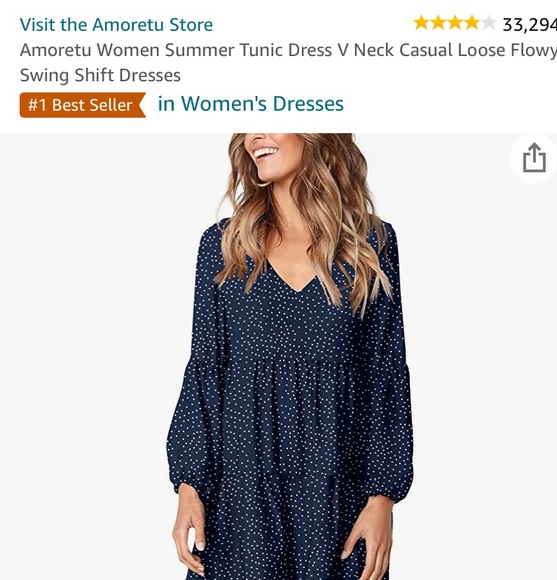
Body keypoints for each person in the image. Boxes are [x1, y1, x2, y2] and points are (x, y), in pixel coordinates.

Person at [166, 133, 414, 579]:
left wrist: (382, 499)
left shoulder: (371, 243)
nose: (254, 136)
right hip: (240, 500)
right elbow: (205, 370)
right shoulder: (224, 246)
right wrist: (189, 485)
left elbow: (386, 374)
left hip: (338, 502)